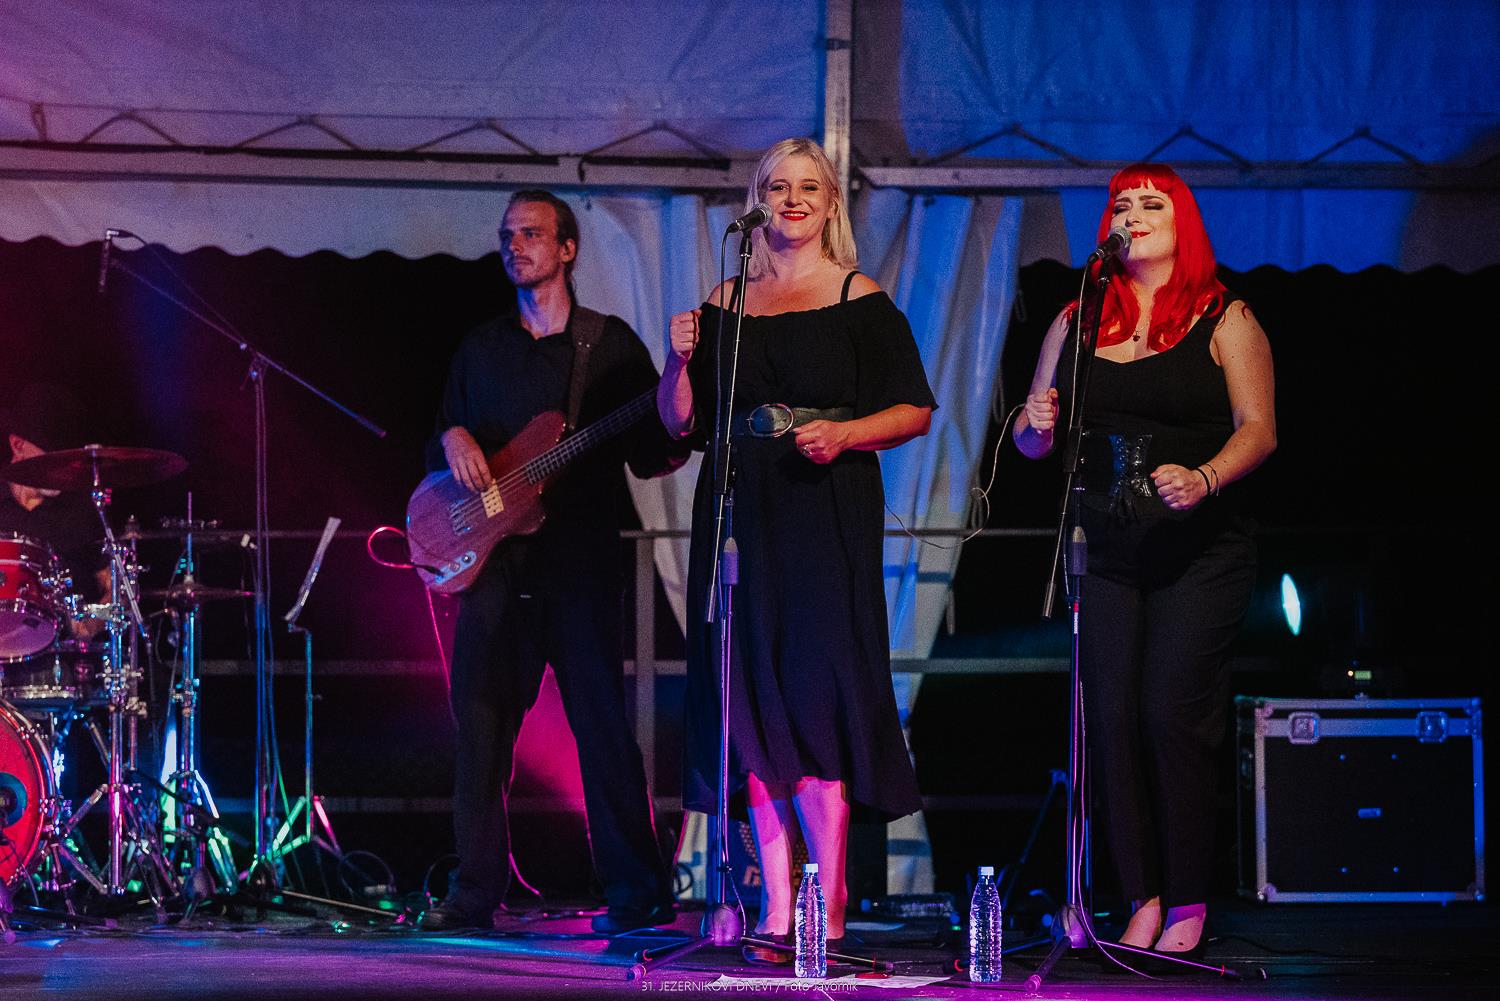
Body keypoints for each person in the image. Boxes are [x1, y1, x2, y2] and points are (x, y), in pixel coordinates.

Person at [657, 138, 934, 960]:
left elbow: (914, 409)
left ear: (831, 202)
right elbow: (680, 420)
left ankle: (831, 898)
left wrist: (845, 434)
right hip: (740, 506)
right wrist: (678, 359)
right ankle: (778, 907)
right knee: (750, 699)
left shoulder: (858, 296)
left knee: (816, 697)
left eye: (809, 186)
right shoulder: (725, 298)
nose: (792, 198)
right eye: (777, 185)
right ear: (757, 199)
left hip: (823, 508)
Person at [1012, 163, 1276, 955]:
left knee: (1169, 713)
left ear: (1182, 221)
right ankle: (1141, 896)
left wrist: (1204, 477)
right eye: (1121, 204)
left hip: (1198, 548)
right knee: (1109, 718)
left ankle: (1189, 895)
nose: (1133, 213)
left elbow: (1259, 429)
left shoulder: (1226, 315)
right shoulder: (1077, 316)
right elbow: (1032, 442)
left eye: (1151, 202)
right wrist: (1033, 421)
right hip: (1103, 548)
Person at [420, 190, 686, 934]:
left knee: (601, 726)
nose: (516, 245)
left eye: (532, 234)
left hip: (580, 565)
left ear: (568, 249)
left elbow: (655, 449)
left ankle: (637, 892)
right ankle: (474, 894)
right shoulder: (481, 348)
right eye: (508, 235)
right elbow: (442, 436)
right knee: (480, 731)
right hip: (496, 570)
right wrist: (452, 438)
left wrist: (681, 402)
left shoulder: (610, 346)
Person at [0, 382, 109, 603]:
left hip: (67, 626)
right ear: (18, 445)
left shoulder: (83, 510)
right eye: (52, 456)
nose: (63, 468)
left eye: (66, 457)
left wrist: (93, 620)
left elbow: (116, 589)